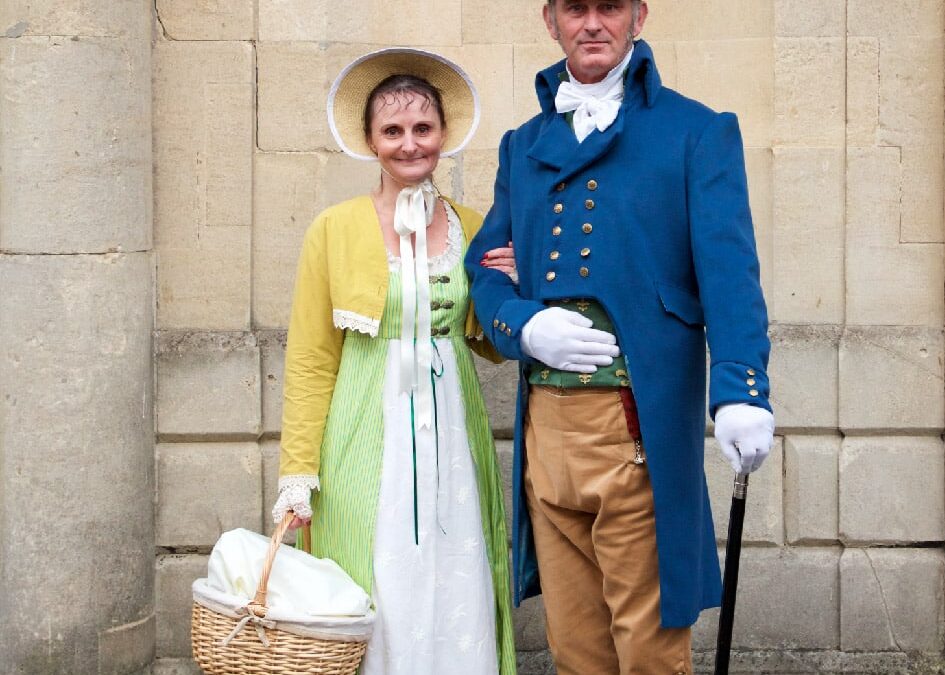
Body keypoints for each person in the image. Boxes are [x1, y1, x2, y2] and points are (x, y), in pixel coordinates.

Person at [465, 2, 775, 674]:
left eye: (609, 6)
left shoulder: (696, 132)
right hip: (545, 430)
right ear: (550, 21)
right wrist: (526, 325)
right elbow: (484, 270)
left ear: (638, 15)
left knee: (647, 648)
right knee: (574, 646)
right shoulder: (521, 144)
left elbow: (728, 275)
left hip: (632, 427)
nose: (592, 23)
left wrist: (740, 389)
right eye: (575, 8)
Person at [271, 48, 517, 675]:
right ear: (369, 140)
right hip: (363, 423)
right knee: (374, 568)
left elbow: (492, 346)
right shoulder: (335, 228)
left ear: (444, 133)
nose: (410, 145)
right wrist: (297, 473)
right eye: (393, 131)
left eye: (423, 129)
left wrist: (508, 294)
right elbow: (309, 358)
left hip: (453, 426)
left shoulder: (472, 224)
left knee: (457, 560)